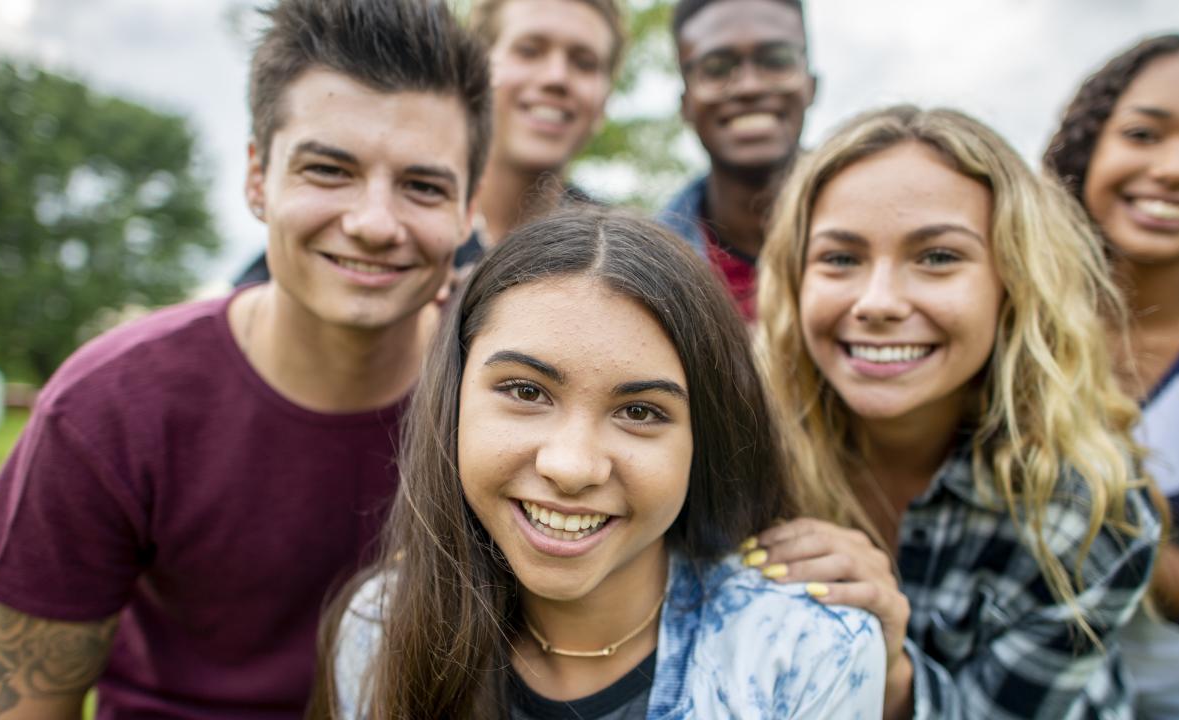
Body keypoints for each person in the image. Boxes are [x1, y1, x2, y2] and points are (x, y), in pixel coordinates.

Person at [0, 0, 490, 716]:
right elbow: (27, 704)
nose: (375, 223)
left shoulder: (503, 400)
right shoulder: (106, 408)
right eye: (328, 170)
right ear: (258, 178)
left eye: (423, 186)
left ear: (468, 211)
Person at [311, 209, 886, 719]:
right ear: (454, 399)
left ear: (704, 438)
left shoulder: (809, 655)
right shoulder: (379, 632)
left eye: (639, 410)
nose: (572, 466)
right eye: (526, 391)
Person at [754, 105, 1161, 719]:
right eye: (840, 258)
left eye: (938, 257)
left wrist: (890, 671)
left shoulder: (1090, 510)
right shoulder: (736, 456)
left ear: (1015, 283)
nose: (879, 302)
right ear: (794, 281)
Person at [1045, 34, 1179, 719]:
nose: (1176, 169)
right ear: (1090, 145)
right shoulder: (1020, 312)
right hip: (1042, 686)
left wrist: (1101, 503)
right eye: (1143, 133)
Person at [235, 0, 623, 287]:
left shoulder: (618, 252)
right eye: (529, 50)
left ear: (605, 99)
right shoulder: (325, 246)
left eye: (584, 62)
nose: (557, 77)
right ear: (476, 72)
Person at [659, 0, 816, 321]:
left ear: (811, 85)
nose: (750, 86)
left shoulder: (888, 230)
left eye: (775, 61)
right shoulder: (645, 273)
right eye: (716, 68)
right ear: (685, 103)